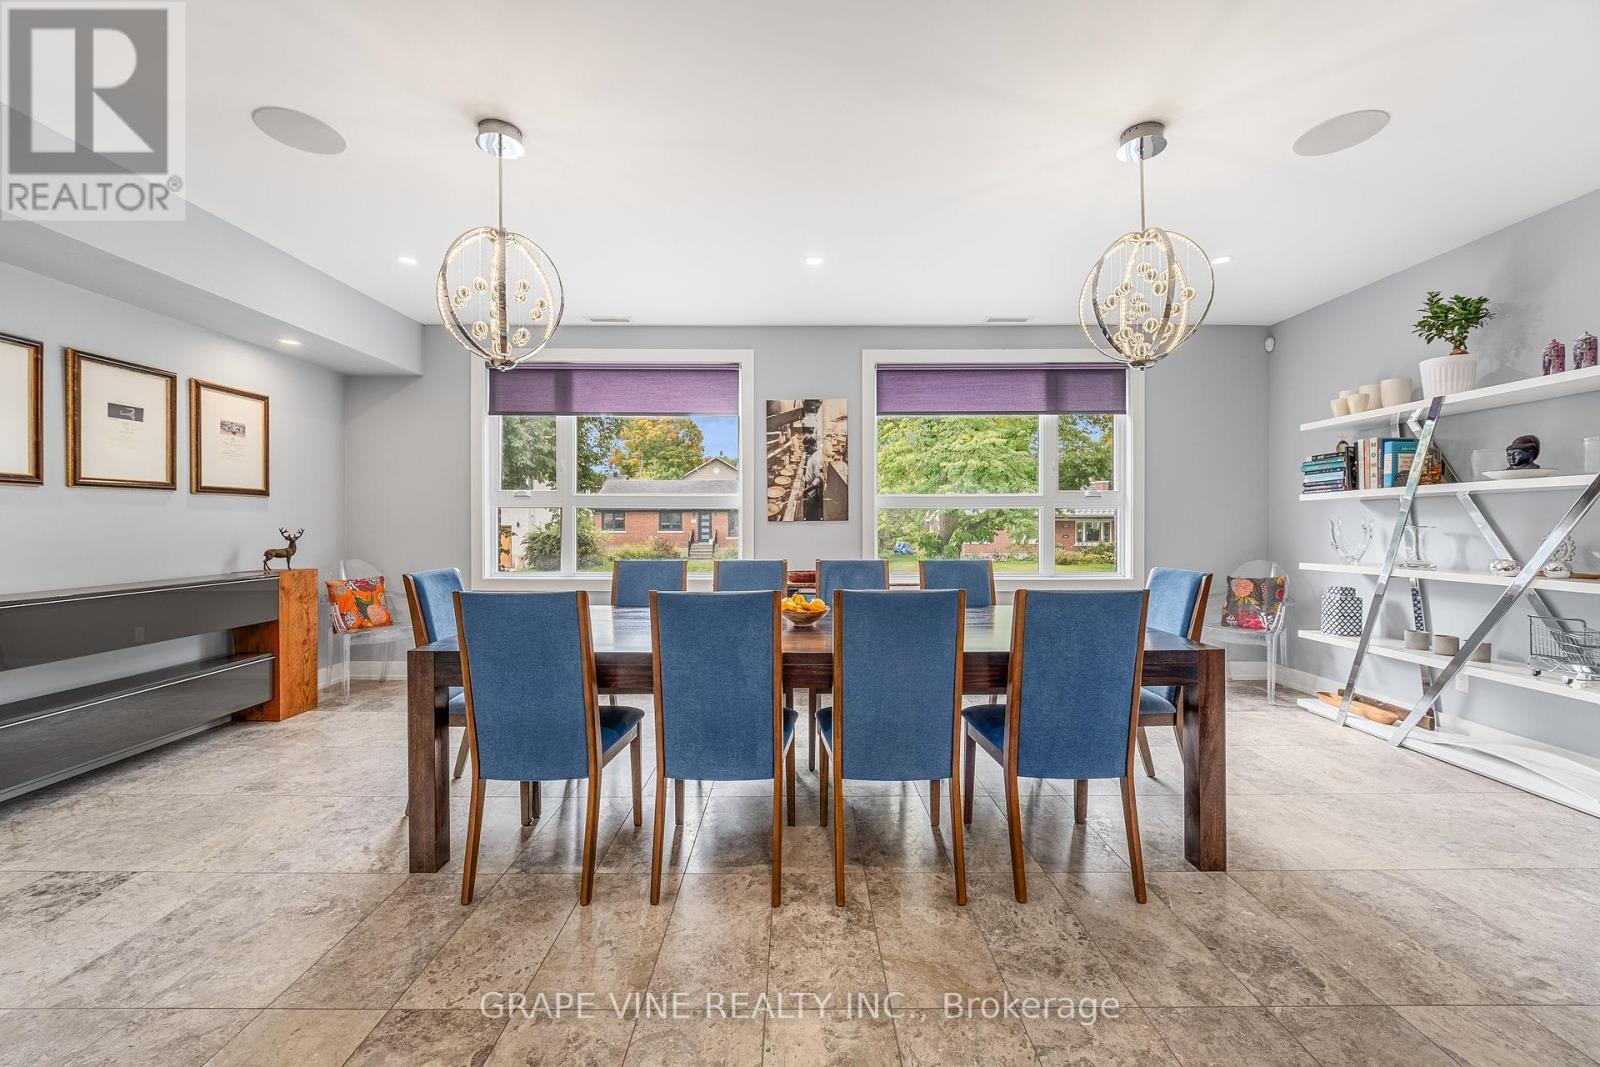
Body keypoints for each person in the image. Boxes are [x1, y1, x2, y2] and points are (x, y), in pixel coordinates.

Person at [802, 435, 824, 521]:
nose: (805, 450)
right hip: (809, 490)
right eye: (805, 448)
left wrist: (805, 491)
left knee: (811, 516)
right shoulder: (812, 455)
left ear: (814, 445)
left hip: (813, 493)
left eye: (807, 448)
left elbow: (818, 479)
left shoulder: (817, 457)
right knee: (809, 512)